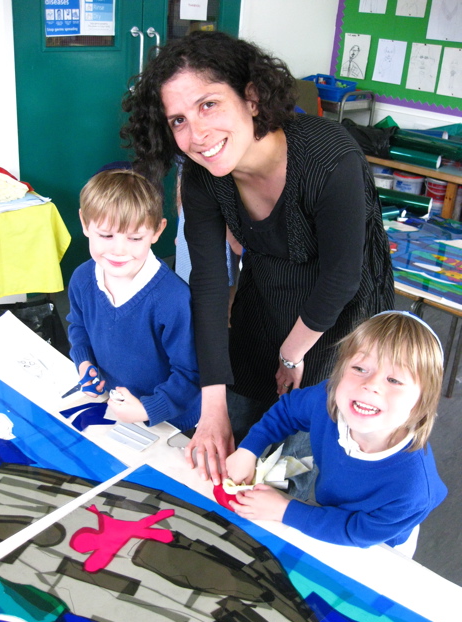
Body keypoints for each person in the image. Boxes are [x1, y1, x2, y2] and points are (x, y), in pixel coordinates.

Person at [121, 30, 394, 484]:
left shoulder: (328, 155)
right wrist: (212, 407)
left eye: (209, 104)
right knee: (227, 434)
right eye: (178, 120)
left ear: (251, 98)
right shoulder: (203, 176)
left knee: (296, 467)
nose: (197, 135)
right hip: (266, 300)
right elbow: (209, 287)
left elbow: (342, 276)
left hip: (341, 321)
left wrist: (292, 354)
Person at [225, 311, 447, 556]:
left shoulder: (414, 488)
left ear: (422, 400)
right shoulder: (327, 398)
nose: (371, 385)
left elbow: (356, 532)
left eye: (394, 380)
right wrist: (248, 450)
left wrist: (285, 511)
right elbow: (288, 411)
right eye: (360, 368)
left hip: (378, 543)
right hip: (326, 513)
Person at [66, 169, 201, 431]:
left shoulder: (173, 298)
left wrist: (147, 408)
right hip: (115, 408)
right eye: (106, 235)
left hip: (173, 423)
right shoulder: (82, 278)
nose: (119, 250)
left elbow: (191, 373)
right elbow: (79, 326)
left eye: (135, 238)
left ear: (157, 230)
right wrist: (84, 361)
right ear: (84, 223)